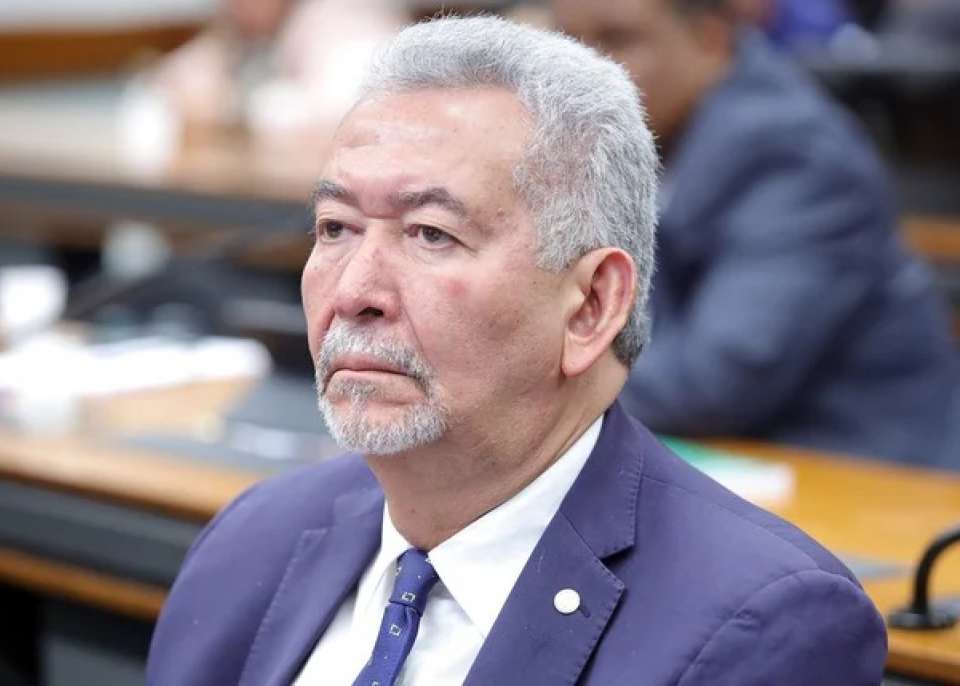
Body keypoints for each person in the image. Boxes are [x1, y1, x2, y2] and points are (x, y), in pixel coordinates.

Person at [146, 16, 886, 686]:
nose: (355, 290)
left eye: (431, 234)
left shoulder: (762, 626)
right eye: (336, 227)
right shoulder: (253, 540)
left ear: (591, 306)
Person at [554, 0, 960, 468]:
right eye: (569, 41)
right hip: (740, 457)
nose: (588, 69)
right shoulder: (647, 130)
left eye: (618, 40)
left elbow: (715, 380)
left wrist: (536, 383)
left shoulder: (793, 153)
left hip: (865, 474)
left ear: (710, 38)